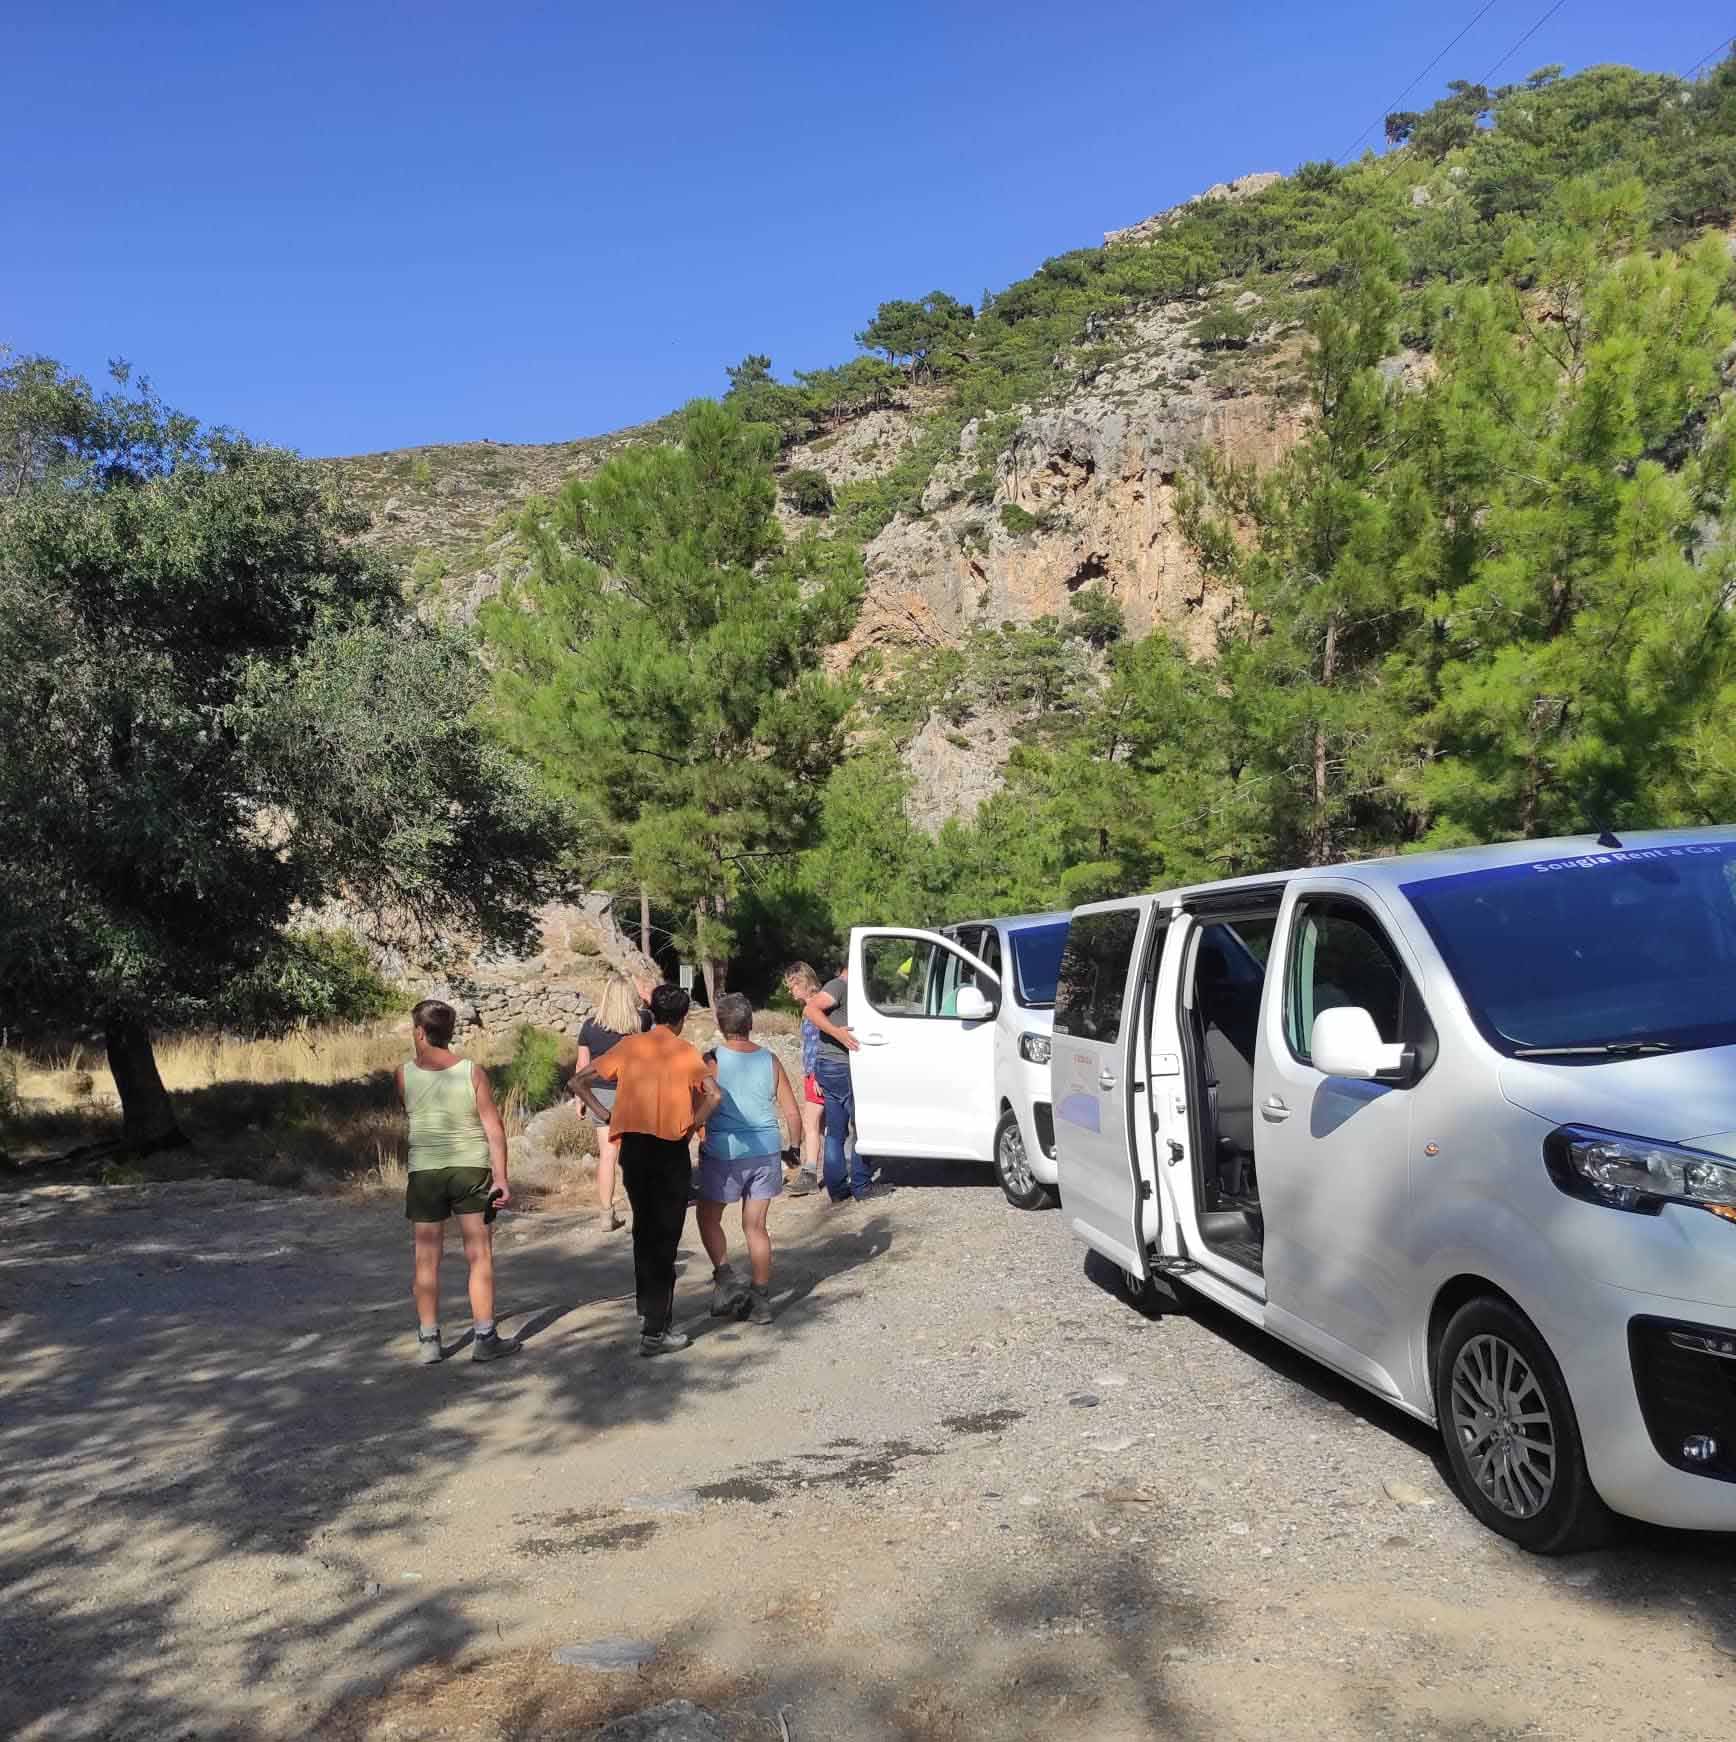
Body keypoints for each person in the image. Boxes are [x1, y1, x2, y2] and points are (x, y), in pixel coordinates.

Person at [571, 982, 721, 1356]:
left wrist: (605, 1113)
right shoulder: (686, 1052)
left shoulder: (629, 1046)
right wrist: (692, 1124)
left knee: (644, 1230)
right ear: (683, 1019)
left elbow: (579, 1080)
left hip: (634, 1148)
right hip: (670, 1149)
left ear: (651, 1013)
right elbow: (714, 1094)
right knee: (666, 1238)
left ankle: (646, 1311)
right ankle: (656, 1330)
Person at [397, 998, 522, 1365]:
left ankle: (429, 1340)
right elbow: (494, 1128)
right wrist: (501, 1177)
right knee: (479, 1254)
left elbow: (411, 1109)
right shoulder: (472, 1072)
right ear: (451, 1032)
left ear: (419, 1032)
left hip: (425, 1172)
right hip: (471, 1168)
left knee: (426, 1258)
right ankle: (484, 1336)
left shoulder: (404, 1074)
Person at [696, 992, 802, 1324]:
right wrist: (793, 1149)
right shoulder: (770, 1060)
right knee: (756, 1226)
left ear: (720, 1024)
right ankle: (761, 1299)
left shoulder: (711, 1060)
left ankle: (725, 1278)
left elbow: (698, 1106)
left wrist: (699, 1135)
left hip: (725, 1152)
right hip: (765, 1150)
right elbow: (792, 1113)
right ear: (751, 1023)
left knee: (708, 1217)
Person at [571, 974, 651, 1231]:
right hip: (635, 1093)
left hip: (599, 1095)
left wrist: (579, 1099)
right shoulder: (642, 1022)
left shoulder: (589, 1026)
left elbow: (582, 1066)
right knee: (636, 1155)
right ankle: (640, 1210)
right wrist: (645, 993)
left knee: (607, 1155)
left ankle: (606, 1215)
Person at [804, 965, 869, 1203]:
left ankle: (837, 1189)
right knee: (860, 1126)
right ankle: (862, 1185)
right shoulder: (839, 986)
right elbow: (811, 1009)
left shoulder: (849, 989)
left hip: (830, 1067)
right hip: (840, 1066)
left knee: (836, 1131)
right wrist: (837, 1033)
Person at [781, 962, 826, 1196]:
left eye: (792, 987)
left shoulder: (816, 1006)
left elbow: (821, 1043)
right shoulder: (816, 1004)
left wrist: (816, 1072)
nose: (791, 992)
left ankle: (810, 1173)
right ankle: (831, 1167)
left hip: (818, 1074)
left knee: (811, 1123)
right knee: (821, 1126)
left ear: (801, 982)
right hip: (814, 1073)